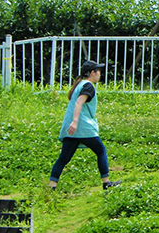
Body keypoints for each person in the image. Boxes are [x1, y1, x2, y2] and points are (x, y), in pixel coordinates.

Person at [49, 61, 121, 191]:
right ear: (92, 73)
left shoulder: (80, 84)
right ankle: (106, 182)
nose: (99, 74)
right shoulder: (88, 86)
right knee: (101, 151)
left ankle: (51, 186)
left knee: (63, 158)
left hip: (71, 129)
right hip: (83, 127)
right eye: (98, 71)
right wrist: (75, 122)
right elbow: (78, 103)